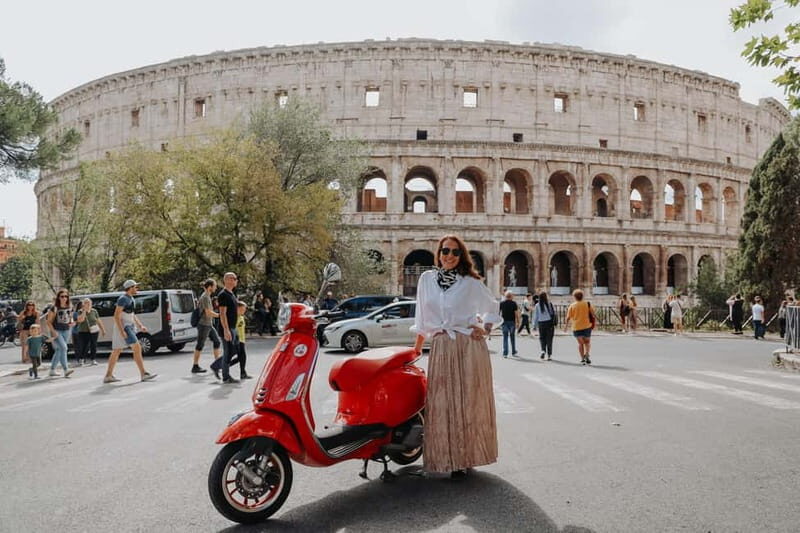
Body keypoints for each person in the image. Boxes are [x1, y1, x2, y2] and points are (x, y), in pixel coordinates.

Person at [412, 234, 500, 478]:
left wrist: (486, 328)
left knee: (466, 404)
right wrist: (416, 348)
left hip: (467, 346)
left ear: (462, 256)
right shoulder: (426, 279)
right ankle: (444, 457)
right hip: (441, 346)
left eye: (455, 252)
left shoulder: (470, 282)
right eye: (445, 251)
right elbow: (421, 318)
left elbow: (492, 307)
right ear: (438, 253)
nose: (449, 256)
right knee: (441, 404)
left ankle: (463, 459)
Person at [103, 280, 157, 383]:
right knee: (136, 347)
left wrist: (140, 325)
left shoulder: (131, 298)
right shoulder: (123, 299)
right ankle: (144, 374)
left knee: (117, 350)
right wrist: (122, 331)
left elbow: (132, 314)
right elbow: (116, 316)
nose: (137, 289)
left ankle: (108, 376)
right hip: (125, 327)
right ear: (130, 288)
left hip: (129, 326)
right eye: (135, 287)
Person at [210, 272, 240, 384]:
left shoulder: (232, 294)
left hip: (233, 327)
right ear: (227, 280)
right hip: (226, 328)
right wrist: (226, 330)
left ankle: (216, 365)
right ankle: (226, 377)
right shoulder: (223, 295)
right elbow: (222, 314)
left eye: (235, 279)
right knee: (228, 352)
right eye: (233, 278)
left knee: (236, 350)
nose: (235, 281)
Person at [192, 279, 221, 374]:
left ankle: (217, 364)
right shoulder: (205, 297)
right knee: (200, 345)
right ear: (210, 287)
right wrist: (220, 315)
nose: (216, 287)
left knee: (217, 341)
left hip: (209, 324)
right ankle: (195, 366)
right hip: (203, 324)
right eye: (215, 286)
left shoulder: (207, 296)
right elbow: (208, 313)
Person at [46, 289, 75, 378]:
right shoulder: (54, 308)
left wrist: (72, 322)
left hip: (67, 330)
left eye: (66, 296)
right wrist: (53, 332)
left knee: (59, 350)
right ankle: (66, 370)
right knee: (64, 348)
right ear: (58, 297)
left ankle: (52, 370)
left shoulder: (70, 306)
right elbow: (48, 322)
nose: (64, 298)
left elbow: (71, 317)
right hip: (56, 330)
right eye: (62, 296)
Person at [564, 289, 594, 365]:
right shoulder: (587, 304)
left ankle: (582, 358)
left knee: (580, 344)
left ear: (574, 297)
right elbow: (593, 314)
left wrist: (566, 327)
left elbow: (568, 318)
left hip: (576, 327)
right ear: (582, 296)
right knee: (587, 342)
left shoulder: (572, 305)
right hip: (587, 325)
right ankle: (587, 354)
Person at [75, 298, 105, 366]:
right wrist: (84, 311)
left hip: (94, 331)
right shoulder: (80, 311)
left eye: (89, 303)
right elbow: (80, 320)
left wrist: (103, 330)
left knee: (93, 345)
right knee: (84, 346)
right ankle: (82, 359)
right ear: (83, 304)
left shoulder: (94, 311)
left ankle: (93, 359)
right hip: (83, 331)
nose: (88, 304)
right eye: (86, 303)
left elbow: (98, 320)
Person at [227, 301, 252, 380]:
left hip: (242, 339)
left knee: (240, 357)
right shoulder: (234, 317)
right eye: (242, 309)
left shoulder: (241, 316)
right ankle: (242, 373)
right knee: (242, 356)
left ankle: (224, 366)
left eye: (244, 309)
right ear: (237, 308)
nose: (244, 311)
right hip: (237, 340)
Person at [533, 291, 556, 360]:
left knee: (542, 338)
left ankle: (543, 350)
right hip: (549, 322)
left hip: (541, 323)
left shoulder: (537, 305)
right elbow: (552, 313)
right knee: (549, 339)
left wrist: (534, 325)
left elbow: (536, 316)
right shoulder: (549, 304)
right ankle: (549, 355)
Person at [499, 291, 519, 358]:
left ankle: (505, 353)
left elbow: (499, 313)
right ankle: (513, 351)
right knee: (512, 337)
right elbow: (516, 314)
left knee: (505, 337)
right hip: (512, 322)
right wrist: (518, 322)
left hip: (504, 322)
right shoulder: (514, 303)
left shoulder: (502, 303)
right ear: (511, 296)